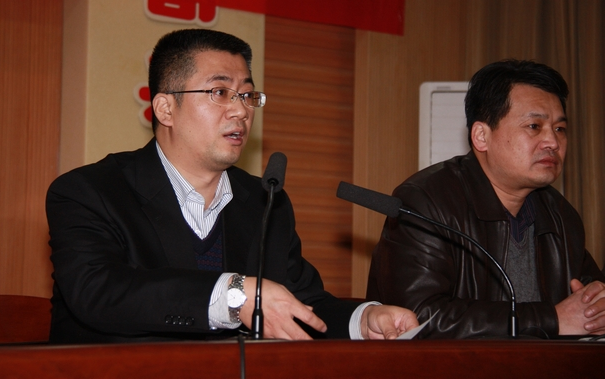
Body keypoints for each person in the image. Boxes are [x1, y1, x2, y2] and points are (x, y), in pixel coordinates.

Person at [47, 28, 418, 343]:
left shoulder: (264, 200)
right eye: (220, 92)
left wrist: (363, 319)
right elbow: (99, 293)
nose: (241, 110)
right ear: (165, 109)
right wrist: (235, 295)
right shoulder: (89, 192)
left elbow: (301, 305)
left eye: (247, 95)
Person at [366, 59, 605, 339]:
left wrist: (597, 306)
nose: (552, 142)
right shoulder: (425, 203)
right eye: (534, 126)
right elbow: (417, 319)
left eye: (559, 129)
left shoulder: (561, 215)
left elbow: (587, 300)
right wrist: (552, 319)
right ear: (481, 136)